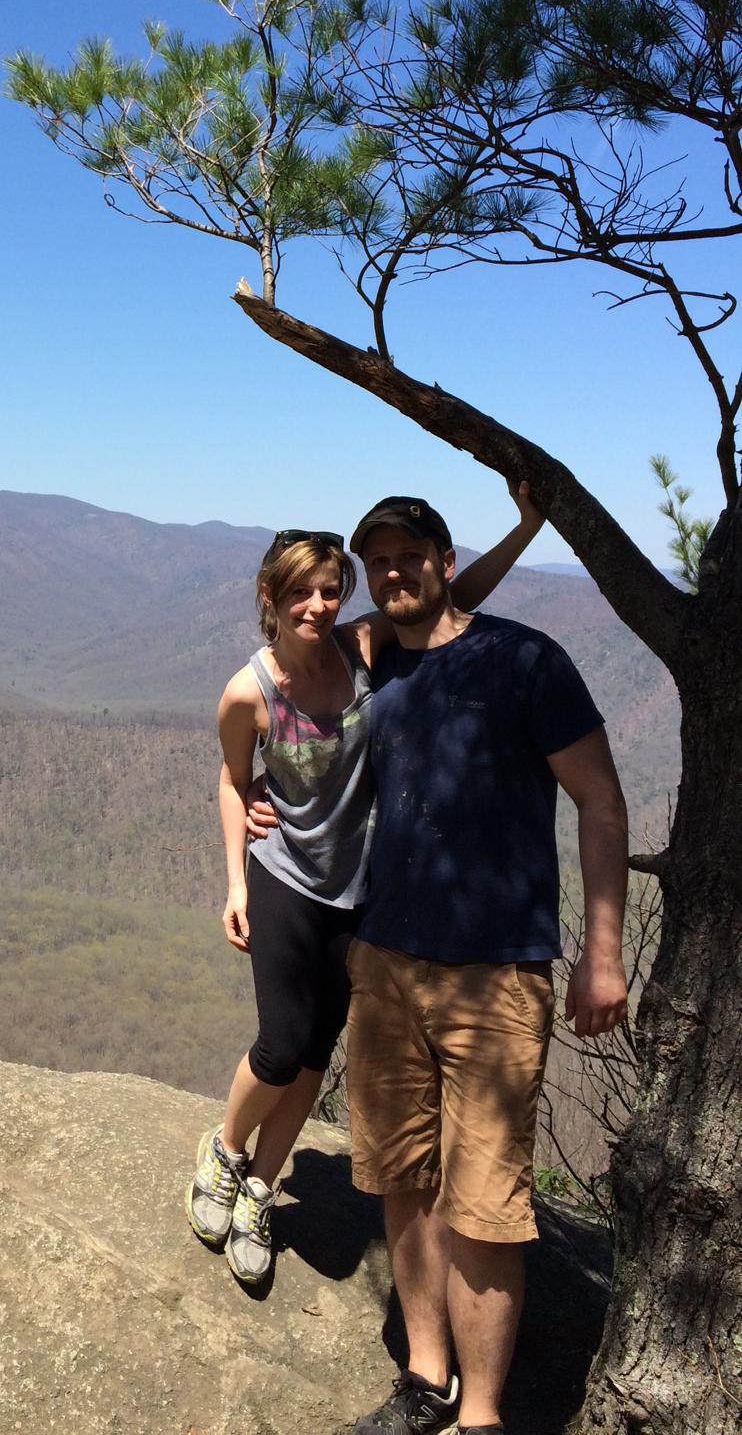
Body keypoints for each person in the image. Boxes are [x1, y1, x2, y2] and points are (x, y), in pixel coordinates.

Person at [186, 486, 546, 1288]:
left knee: (316, 1052)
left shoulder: (362, 650)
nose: (317, 604)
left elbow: (451, 601)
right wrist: (235, 884)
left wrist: (526, 527)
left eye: (328, 588)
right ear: (269, 599)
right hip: (285, 878)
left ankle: (260, 1190)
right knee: (281, 1045)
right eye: (300, 592)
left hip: (359, 892)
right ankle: (224, 1150)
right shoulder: (250, 693)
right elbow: (228, 778)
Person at [331, 497, 627, 1435]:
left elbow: (602, 799)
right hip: (384, 961)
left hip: (496, 974)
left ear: (444, 560)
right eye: (375, 562)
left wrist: (603, 955)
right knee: (402, 1177)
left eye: (408, 557)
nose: (391, 573)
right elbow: (289, 660)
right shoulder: (377, 656)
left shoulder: (526, 662)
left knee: (488, 1203)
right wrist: (243, 793)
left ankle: (484, 1418)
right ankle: (426, 1378)